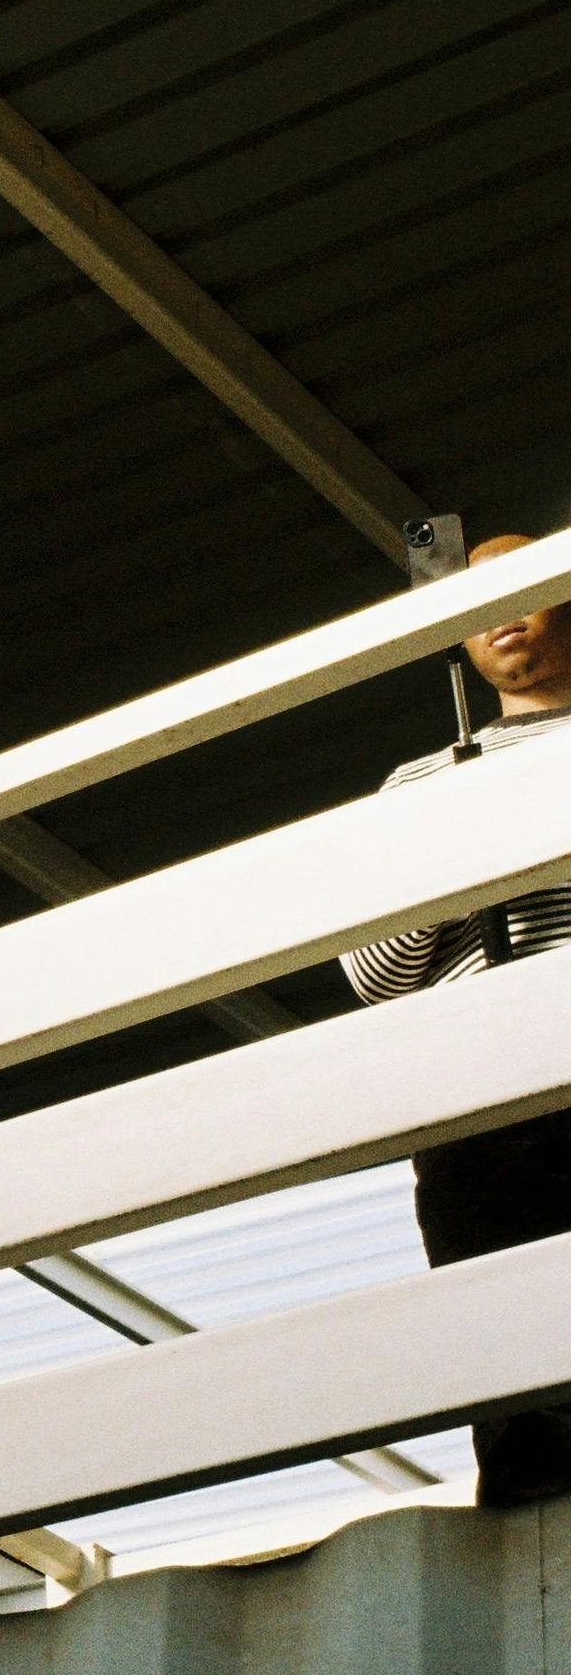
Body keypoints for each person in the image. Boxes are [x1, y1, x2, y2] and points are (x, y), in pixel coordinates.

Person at [343, 531, 571, 1506]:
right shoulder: (426, 781)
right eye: (476, 604)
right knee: (517, 1381)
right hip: (482, 1106)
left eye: (525, 585)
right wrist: (460, 838)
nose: (503, 614)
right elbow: (375, 973)